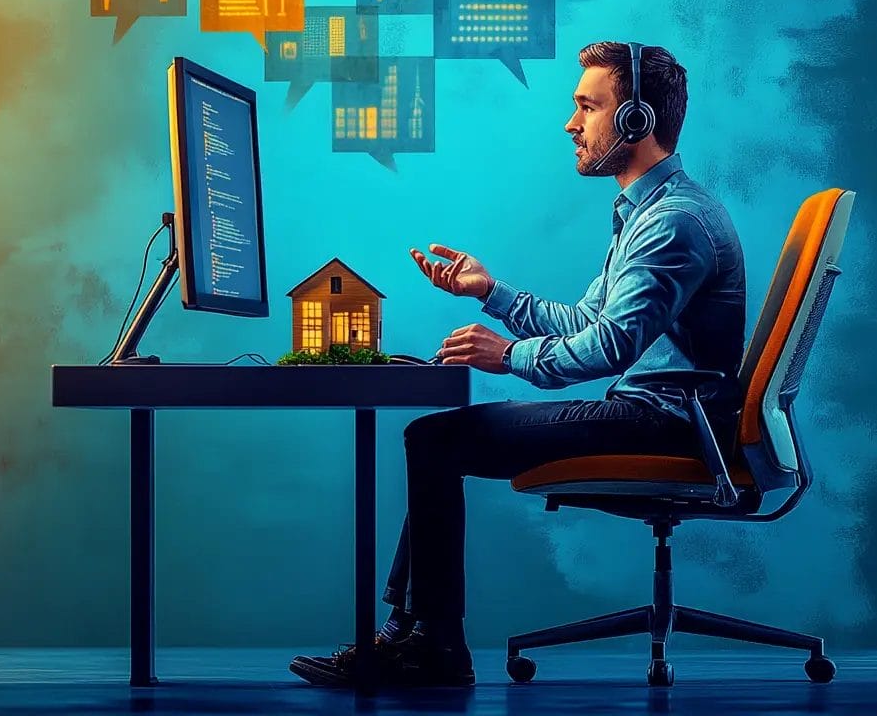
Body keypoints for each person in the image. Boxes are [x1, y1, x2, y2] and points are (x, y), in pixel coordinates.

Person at [289, 41, 746, 688]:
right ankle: (410, 636)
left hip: (665, 424)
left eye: (588, 107)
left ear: (637, 123)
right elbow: (591, 324)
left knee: (435, 439)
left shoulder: (673, 223)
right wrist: (492, 293)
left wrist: (507, 355)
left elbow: (608, 349)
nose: (571, 123)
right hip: (658, 414)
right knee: (435, 438)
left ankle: (431, 647)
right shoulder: (646, 214)